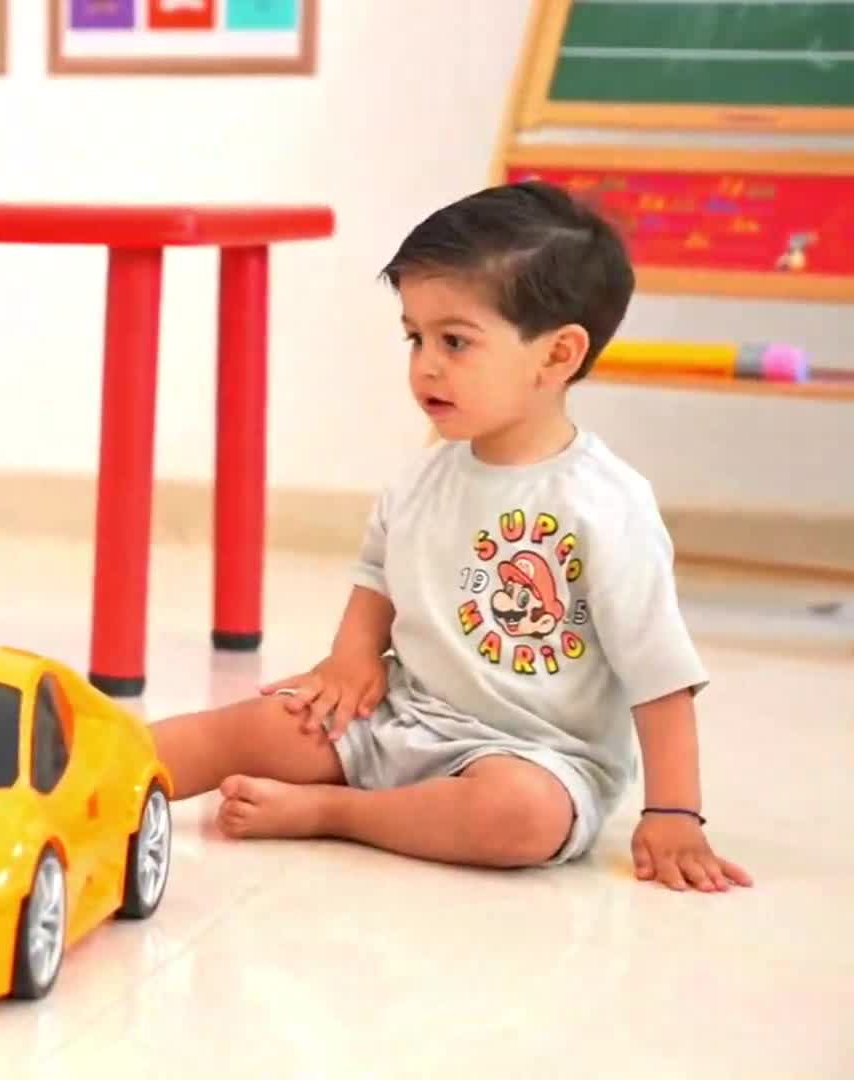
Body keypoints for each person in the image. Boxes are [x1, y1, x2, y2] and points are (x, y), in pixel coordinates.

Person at [150, 180, 752, 893]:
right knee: (254, 726)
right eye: (416, 337)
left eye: (455, 342)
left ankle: (334, 813)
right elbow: (379, 571)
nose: (425, 365)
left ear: (557, 356)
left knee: (518, 817)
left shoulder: (605, 504)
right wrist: (350, 659)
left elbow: (660, 675)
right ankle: (95, 762)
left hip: (532, 757)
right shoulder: (426, 475)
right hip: (399, 719)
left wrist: (674, 812)